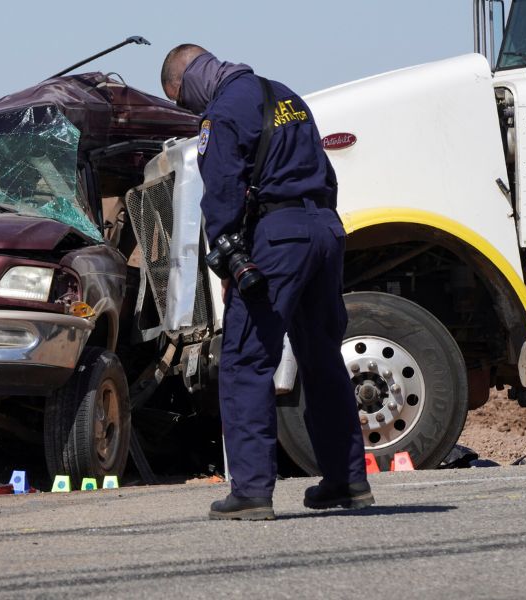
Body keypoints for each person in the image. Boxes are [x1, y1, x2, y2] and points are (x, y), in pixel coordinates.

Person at [160, 44, 373, 520]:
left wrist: (231, 260)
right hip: (325, 228)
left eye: (180, 100)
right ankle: (348, 481)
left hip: (278, 240)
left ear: (186, 79)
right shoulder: (286, 95)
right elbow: (325, 172)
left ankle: (252, 491)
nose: (188, 111)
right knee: (321, 359)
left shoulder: (221, 113)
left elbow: (222, 195)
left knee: (246, 360)